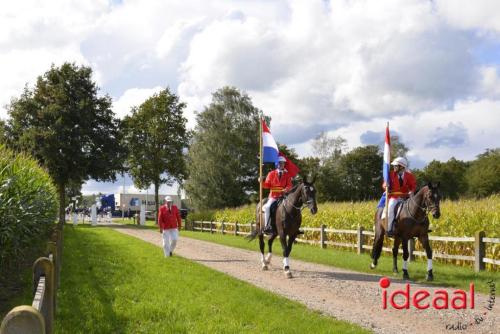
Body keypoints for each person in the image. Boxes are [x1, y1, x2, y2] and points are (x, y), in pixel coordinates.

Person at [384, 157, 417, 237]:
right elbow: (384, 183)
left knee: (417, 207)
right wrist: (385, 186)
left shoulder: (409, 175)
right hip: (394, 196)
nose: (394, 167)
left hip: (406, 197)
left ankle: (420, 226)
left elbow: (413, 185)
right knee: (391, 207)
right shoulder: (390, 174)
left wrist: (412, 191)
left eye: (396, 166)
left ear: (401, 167)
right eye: (394, 166)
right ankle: (389, 229)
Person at [262, 155, 293, 234]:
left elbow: (289, 185)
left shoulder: (287, 175)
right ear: (277, 164)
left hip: (284, 196)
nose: (281, 165)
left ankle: (293, 226)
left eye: (282, 163)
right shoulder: (271, 173)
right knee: (268, 207)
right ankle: (267, 226)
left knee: (293, 206)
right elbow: (267, 185)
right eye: (280, 163)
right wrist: (261, 182)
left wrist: (286, 189)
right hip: (273, 196)